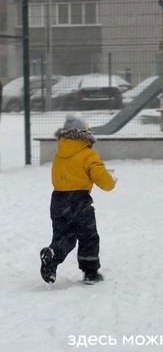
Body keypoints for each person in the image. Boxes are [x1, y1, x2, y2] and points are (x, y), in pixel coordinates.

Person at [40, 114, 116, 285]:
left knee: (64, 237)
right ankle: (90, 273)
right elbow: (102, 178)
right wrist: (111, 182)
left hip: (58, 199)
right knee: (88, 236)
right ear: (85, 133)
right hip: (79, 201)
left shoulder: (60, 152)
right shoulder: (88, 154)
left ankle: (52, 256)